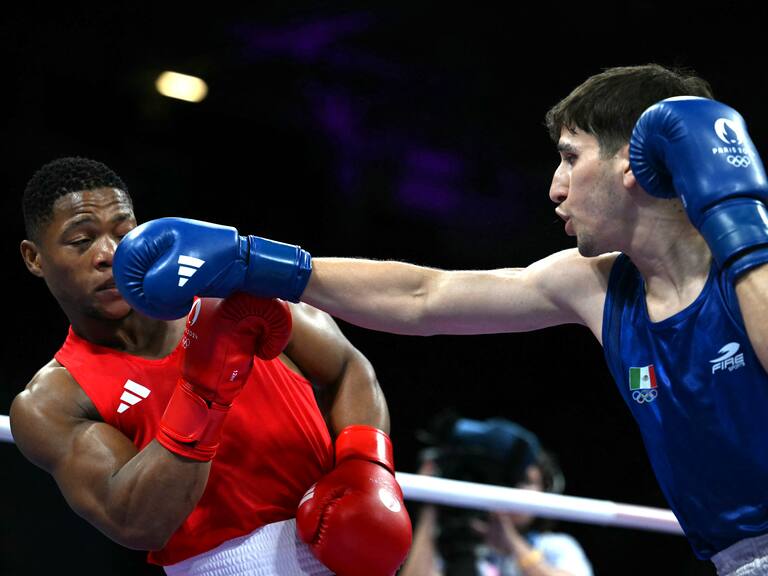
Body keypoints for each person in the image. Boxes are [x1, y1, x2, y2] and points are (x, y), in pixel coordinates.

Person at [109, 63, 768, 575]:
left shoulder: (753, 264)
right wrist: (257, 262)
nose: (555, 187)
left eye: (570, 156)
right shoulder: (596, 284)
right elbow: (424, 296)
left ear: (636, 159)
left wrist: (742, 225)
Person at [10, 157, 412, 576]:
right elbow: (136, 521)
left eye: (122, 232)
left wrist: (365, 467)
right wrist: (203, 393)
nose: (108, 254)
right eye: (81, 240)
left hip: (341, 546)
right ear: (34, 258)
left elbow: (348, 366)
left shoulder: (233, 295)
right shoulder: (54, 400)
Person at [399, 416, 593, 576]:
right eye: (509, 481)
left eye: (525, 481)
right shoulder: (447, 547)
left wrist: (513, 546)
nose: (511, 489)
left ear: (546, 490)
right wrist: (431, 508)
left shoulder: (556, 547)